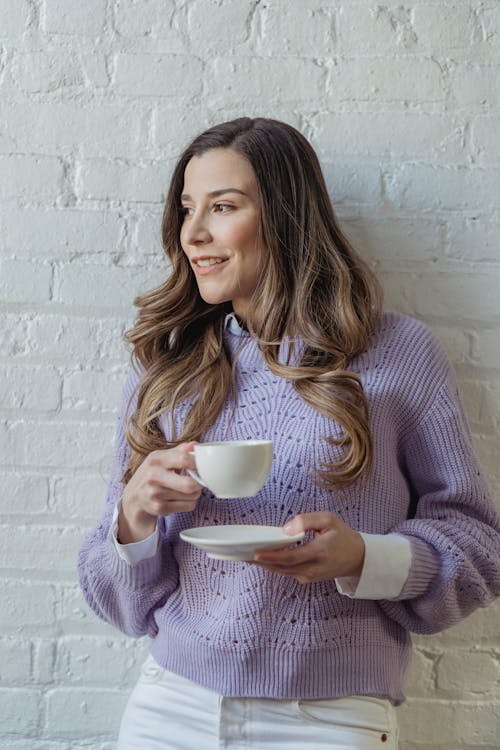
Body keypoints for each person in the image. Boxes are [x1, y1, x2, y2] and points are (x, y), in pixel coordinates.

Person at [78, 117, 500, 750]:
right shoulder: (169, 372)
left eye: (223, 207)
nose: (194, 233)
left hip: (330, 719)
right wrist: (132, 515)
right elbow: (122, 608)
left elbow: (479, 546)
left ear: (284, 216)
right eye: (187, 209)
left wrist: (362, 558)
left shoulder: (397, 354)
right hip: (173, 708)